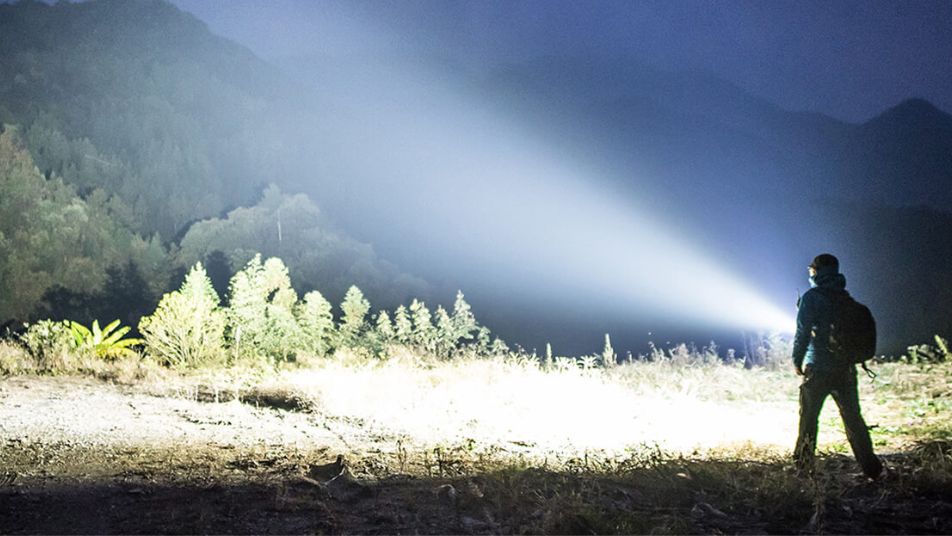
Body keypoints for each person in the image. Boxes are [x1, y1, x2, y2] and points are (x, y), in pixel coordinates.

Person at [792, 253, 883, 479]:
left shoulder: (811, 297)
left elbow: (802, 332)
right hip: (845, 369)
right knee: (853, 418)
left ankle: (803, 468)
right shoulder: (845, 298)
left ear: (817, 271)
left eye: (812, 270)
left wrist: (797, 359)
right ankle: (871, 469)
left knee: (809, 418)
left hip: (818, 368)